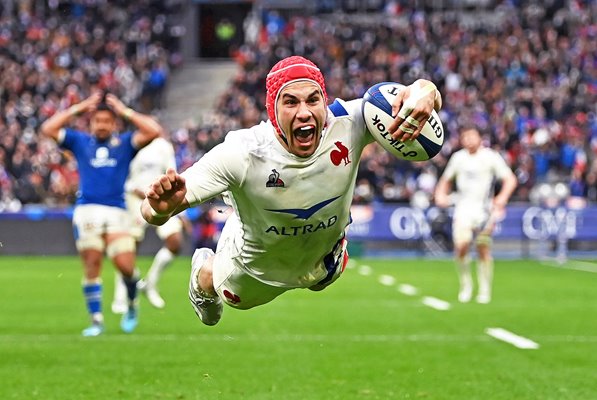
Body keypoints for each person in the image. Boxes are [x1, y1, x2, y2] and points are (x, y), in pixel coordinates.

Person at [140, 56, 442, 326]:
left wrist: (426, 91)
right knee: (229, 295)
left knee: (322, 280)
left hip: (323, 263)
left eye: (313, 100)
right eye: (290, 102)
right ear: (273, 111)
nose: (304, 112)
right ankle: (203, 275)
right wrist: (161, 208)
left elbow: (416, 94)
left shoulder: (352, 121)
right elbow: (154, 211)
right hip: (253, 271)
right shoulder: (242, 153)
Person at [40, 91, 163, 335]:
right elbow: (48, 128)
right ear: (91, 122)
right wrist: (81, 106)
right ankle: (96, 320)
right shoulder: (80, 141)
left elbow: (154, 131)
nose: (102, 125)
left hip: (117, 211)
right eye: (98, 121)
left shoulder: (125, 144)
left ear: (114, 123)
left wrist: (125, 110)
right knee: (92, 265)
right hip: (87, 211)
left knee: (126, 267)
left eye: (107, 121)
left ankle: (131, 304)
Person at [434, 127, 518, 304]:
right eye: (465, 137)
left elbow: (510, 179)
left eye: (472, 136)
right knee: (461, 246)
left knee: (483, 248)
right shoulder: (458, 158)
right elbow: (445, 180)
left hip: (484, 210)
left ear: (480, 137)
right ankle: (466, 284)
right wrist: (440, 194)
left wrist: (502, 197)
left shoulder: (490, 157)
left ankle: (485, 289)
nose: (468, 139)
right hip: (463, 208)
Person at [112, 136, 187, 312]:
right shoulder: (131, 143)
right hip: (134, 200)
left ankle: (150, 284)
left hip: (160, 199)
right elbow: (121, 175)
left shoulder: (163, 146)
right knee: (129, 250)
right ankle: (121, 295)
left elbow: (172, 173)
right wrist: (133, 189)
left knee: (175, 242)